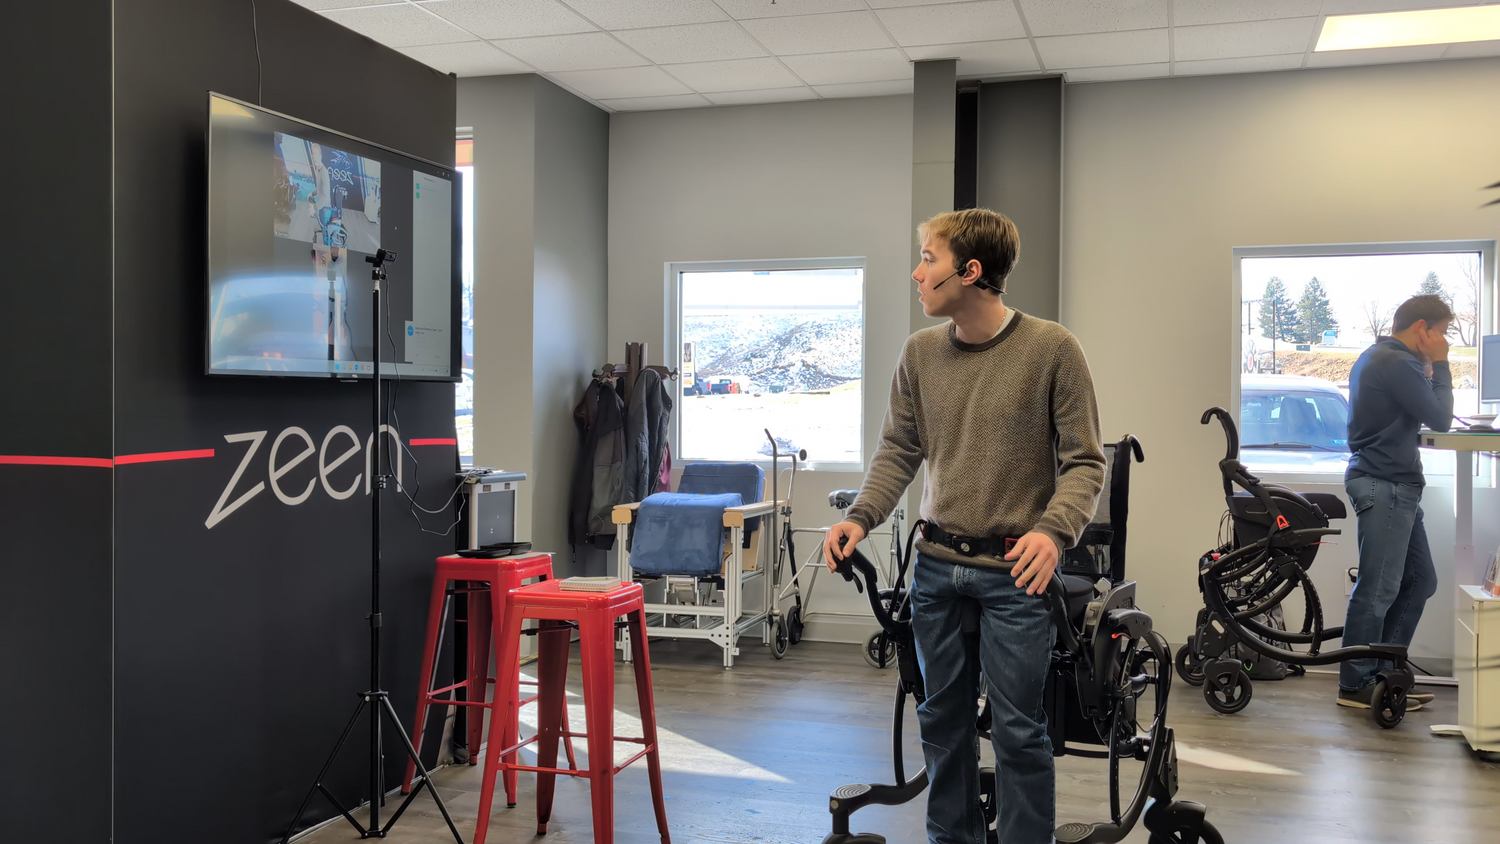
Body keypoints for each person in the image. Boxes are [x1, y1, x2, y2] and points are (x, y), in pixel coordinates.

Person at [823, 208, 1105, 844]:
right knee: (942, 721)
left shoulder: (1052, 349)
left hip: (1015, 576)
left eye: (929, 257)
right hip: (936, 569)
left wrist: (1053, 531)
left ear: (971, 271)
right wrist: (860, 518)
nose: (916, 271)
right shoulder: (921, 354)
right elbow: (899, 450)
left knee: (1018, 730)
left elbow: (1086, 461)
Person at [1338, 294, 1454, 710]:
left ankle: (1386, 674)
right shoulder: (1395, 362)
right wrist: (1439, 365)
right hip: (1384, 484)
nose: (1444, 341)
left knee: (1420, 581)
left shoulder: (1385, 358)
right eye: (1441, 332)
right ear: (1422, 328)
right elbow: (1440, 418)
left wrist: (1428, 368)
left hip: (1393, 484)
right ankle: (1355, 685)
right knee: (1377, 589)